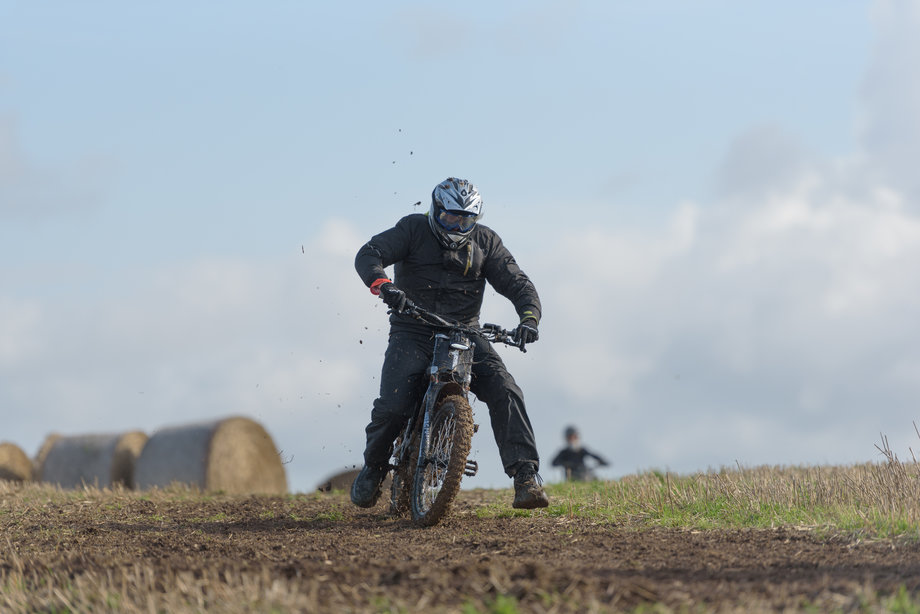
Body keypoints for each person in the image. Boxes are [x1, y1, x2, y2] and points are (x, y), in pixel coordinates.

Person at [350, 177, 549, 510]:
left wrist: (529, 318)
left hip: (465, 333)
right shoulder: (412, 229)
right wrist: (383, 284)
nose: (458, 226)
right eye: (451, 217)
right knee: (392, 407)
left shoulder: (487, 242)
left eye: (467, 220)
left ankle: (526, 477)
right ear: (435, 210)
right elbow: (370, 254)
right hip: (412, 330)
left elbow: (518, 284)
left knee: (507, 389)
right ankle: (374, 468)